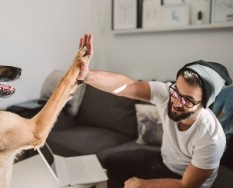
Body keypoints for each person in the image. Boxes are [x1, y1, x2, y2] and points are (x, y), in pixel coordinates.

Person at [76, 33, 232, 188]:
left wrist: (142, 184)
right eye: (176, 91)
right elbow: (128, 86)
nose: (176, 102)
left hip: (185, 180)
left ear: (204, 104)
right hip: (163, 161)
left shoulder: (212, 138)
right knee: (112, 162)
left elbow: (186, 185)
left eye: (188, 100)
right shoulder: (166, 94)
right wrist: (87, 76)